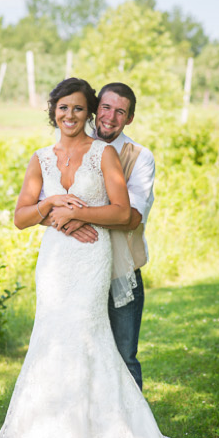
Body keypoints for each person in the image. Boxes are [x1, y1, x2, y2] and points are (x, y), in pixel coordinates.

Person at [0, 78, 219, 438]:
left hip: (93, 259)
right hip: (54, 262)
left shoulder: (109, 154)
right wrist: (51, 206)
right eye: (64, 108)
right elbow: (21, 216)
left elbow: (126, 213)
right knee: (51, 342)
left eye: (79, 109)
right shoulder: (40, 158)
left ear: (92, 113)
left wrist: (78, 215)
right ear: (54, 111)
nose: (72, 115)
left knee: (97, 344)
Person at [43, 82, 154, 389]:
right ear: (95, 110)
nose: (111, 117)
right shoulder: (70, 145)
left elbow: (130, 217)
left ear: (129, 118)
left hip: (120, 268)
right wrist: (63, 219)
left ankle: (134, 434)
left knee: (123, 354)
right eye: (105, 108)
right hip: (75, 267)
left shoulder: (139, 157)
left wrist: (78, 215)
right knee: (77, 350)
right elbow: (47, 206)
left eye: (121, 112)